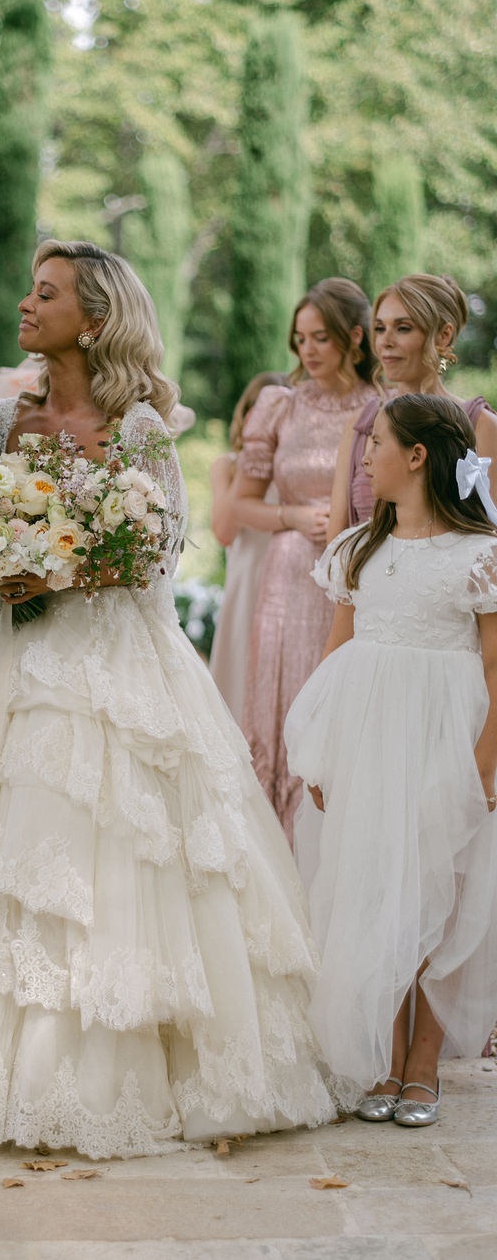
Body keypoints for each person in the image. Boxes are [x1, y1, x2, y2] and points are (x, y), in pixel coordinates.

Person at [0, 241, 335, 1159]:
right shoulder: (4, 419)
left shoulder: (140, 429)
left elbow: (161, 552)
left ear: (92, 318)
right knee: (3, 849)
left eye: (43, 293)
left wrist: (55, 560)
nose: (22, 303)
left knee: (114, 850)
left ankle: (112, 1074)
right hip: (13, 661)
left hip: (114, 662)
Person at [285, 394, 497, 1126]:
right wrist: (319, 747)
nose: (363, 456)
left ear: (416, 456)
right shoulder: (357, 550)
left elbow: (496, 667)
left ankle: (423, 1061)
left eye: (377, 443)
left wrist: (485, 762)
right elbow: (337, 653)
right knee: (376, 887)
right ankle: (379, 1048)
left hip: (446, 736)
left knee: (442, 890)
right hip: (370, 738)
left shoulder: (480, 557)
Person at [231, 279, 379, 844]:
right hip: (287, 575)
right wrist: (292, 518)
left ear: (355, 337)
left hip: (352, 577)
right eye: (300, 339)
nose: (308, 350)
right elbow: (242, 504)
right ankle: (270, 847)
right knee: (278, 701)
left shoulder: (381, 408)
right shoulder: (279, 405)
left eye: (321, 337)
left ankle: (332, 844)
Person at [328, 273, 497, 540]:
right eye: (380, 328)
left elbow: (492, 539)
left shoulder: (481, 425)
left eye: (403, 328)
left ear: (443, 335)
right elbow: (336, 535)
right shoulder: (360, 425)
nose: (385, 341)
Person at [207, 371, 289, 720]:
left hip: (286, 584)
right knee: (236, 684)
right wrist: (254, 460)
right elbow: (224, 531)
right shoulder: (227, 466)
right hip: (246, 588)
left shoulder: (294, 469)